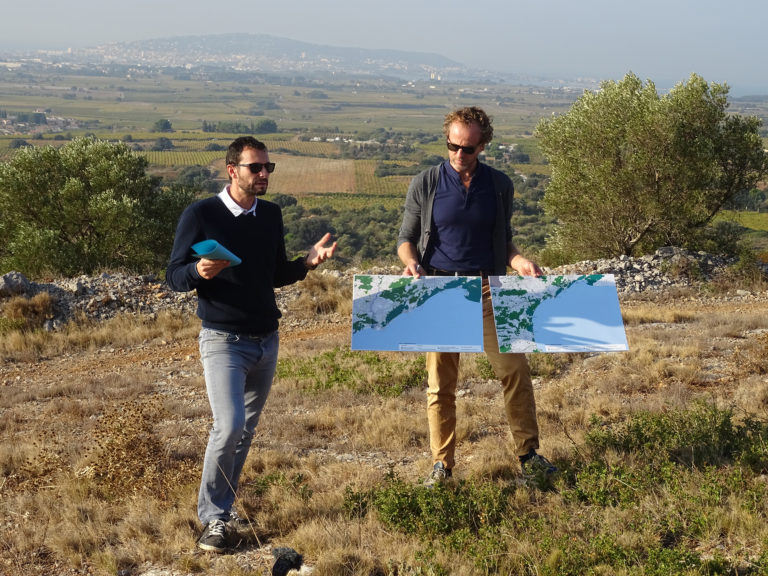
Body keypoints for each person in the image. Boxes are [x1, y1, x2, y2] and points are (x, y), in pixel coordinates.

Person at [166, 136, 336, 552]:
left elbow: (273, 274)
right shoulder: (201, 214)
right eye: (255, 167)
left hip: (267, 340)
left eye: (267, 167)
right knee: (229, 426)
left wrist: (306, 264)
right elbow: (173, 277)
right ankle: (213, 518)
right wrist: (198, 272)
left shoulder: (270, 214)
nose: (263, 174)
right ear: (232, 170)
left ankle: (222, 512)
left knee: (243, 432)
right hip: (223, 340)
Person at [397, 106, 557, 487]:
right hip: (441, 290)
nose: (458, 154)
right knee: (440, 385)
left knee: (515, 371)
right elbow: (406, 239)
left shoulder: (500, 185)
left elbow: (504, 241)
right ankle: (442, 466)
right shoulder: (425, 183)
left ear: (483, 145)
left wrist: (520, 262)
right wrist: (411, 263)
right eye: (452, 145)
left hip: (489, 289)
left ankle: (529, 455)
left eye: (467, 148)